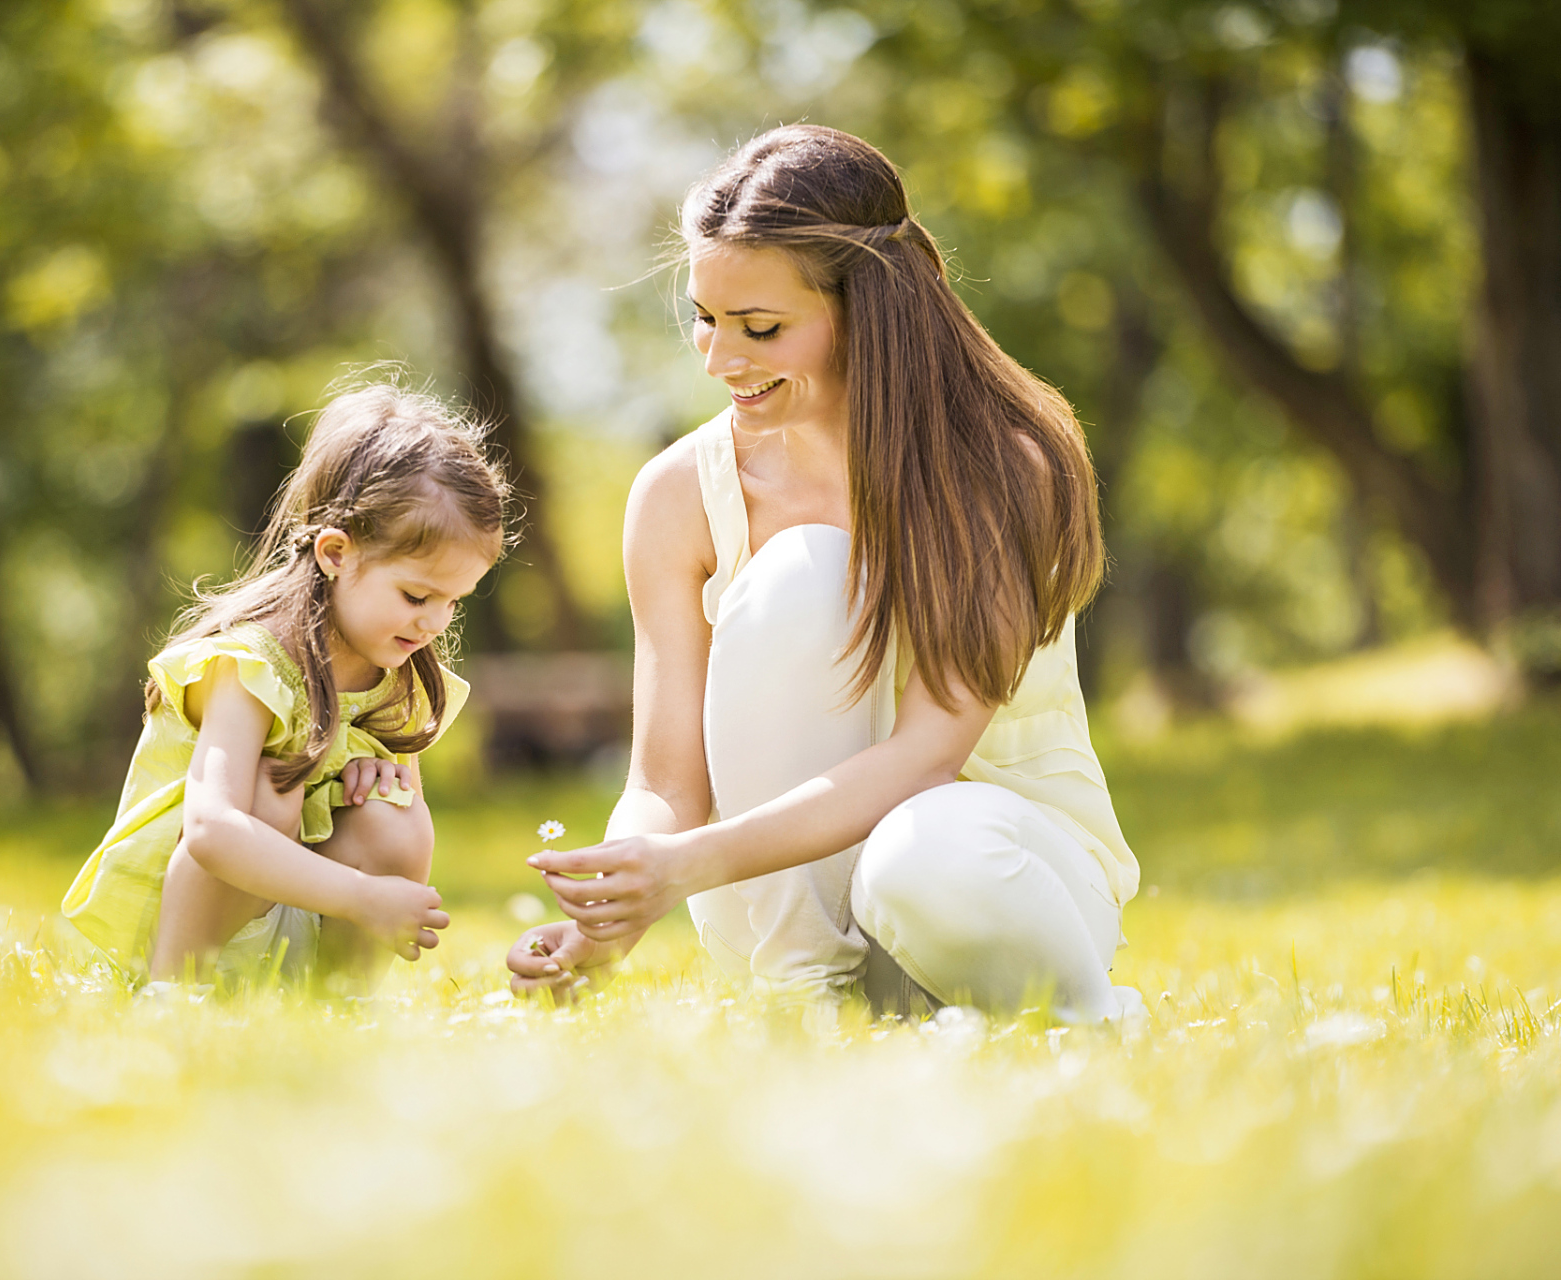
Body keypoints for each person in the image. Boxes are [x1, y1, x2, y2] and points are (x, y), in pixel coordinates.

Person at [507, 125, 1142, 1023]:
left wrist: (687, 864)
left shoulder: (997, 469)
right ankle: (813, 1010)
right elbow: (664, 782)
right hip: (774, 911)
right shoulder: (679, 495)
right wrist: (613, 907)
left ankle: (1087, 1022)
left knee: (922, 856)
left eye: (761, 328)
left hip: (989, 880)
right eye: (705, 318)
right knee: (801, 575)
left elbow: (929, 754)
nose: (720, 359)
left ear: (870, 308)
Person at [63, 379, 509, 990]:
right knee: (268, 795)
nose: (434, 623)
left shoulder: (394, 668)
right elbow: (212, 830)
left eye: (454, 601)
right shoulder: (252, 666)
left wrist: (377, 781)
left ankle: (338, 999)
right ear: (336, 553)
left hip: (301, 915)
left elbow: (393, 827)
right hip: (192, 921)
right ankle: (173, 996)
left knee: (396, 813)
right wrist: (361, 896)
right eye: (416, 596)